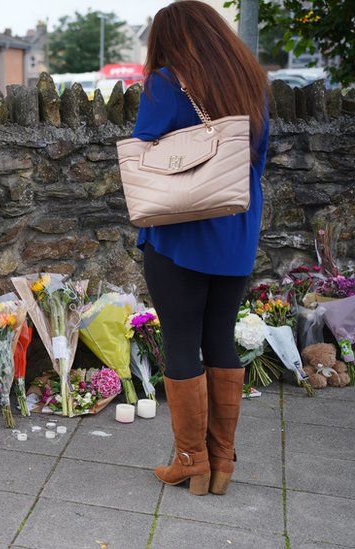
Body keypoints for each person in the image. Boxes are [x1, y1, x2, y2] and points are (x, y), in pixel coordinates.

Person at [133, 1, 269, 496]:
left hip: (180, 231)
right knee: (220, 338)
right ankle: (222, 463)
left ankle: (191, 462)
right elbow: (261, 159)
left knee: (181, 338)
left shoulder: (165, 84)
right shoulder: (251, 82)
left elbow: (144, 151)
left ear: (168, 40)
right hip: (235, 230)